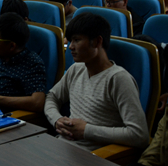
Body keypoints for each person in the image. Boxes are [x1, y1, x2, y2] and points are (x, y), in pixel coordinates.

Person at [44, 12, 150, 151]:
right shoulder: (76, 69)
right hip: (62, 147)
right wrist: (57, 120)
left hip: (93, 155)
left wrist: (86, 130)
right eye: (70, 41)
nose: (70, 46)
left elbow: (139, 135)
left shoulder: (118, 79)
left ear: (97, 41)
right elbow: (52, 97)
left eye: (77, 40)